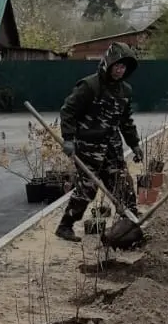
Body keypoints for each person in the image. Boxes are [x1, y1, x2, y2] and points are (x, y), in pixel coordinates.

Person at [55, 42, 143, 241]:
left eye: (123, 67)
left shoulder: (125, 91)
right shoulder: (89, 86)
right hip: (89, 147)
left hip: (112, 147)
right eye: (117, 66)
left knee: (122, 182)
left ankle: (131, 222)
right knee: (88, 188)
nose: (120, 70)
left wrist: (134, 144)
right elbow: (68, 111)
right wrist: (68, 139)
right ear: (108, 64)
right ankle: (65, 226)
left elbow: (125, 121)